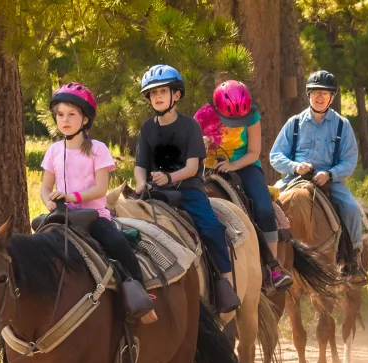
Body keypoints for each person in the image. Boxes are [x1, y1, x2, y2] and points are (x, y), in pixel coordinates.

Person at [41, 82, 157, 324]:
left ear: (84, 120)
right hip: (62, 217)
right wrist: (48, 202)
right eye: (60, 114)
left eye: (72, 114)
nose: (65, 119)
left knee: (118, 244)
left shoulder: (97, 149)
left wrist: (71, 196)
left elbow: (101, 189)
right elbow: (45, 186)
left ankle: (141, 298)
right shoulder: (52, 150)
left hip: (94, 217)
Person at [133, 65, 241, 313]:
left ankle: (225, 282)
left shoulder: (190, 126)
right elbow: (140, 165)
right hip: (154, 192)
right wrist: (141, 183)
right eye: (152, 93)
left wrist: (169, 178)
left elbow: (193, 167)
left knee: (212, 227)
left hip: (188, 190)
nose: (157, 97)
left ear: (176, 95)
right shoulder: (147, 129)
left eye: (162, 91)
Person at [194, 79, 294, 293]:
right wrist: (201, 146)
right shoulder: (202, 116)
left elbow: (253, 152)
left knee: (265, 209)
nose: (237, 122)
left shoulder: (253, 115)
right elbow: (189, 151)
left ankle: (272, 269)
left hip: (244, 165)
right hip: (207, 168)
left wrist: (232, 165)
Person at [269, 70, 368, 285]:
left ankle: (353, 261)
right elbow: (275, 155)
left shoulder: (343, 125)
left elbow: (350, 160)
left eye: (324, 93)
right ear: (308, 95)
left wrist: (330, 174)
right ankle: (267, 260)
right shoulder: (294, 123)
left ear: (332, 97)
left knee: (351, 209)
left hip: (329, 181)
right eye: (315, 93)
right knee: (268, 204)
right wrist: (295, 166)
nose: (319, 97)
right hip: (294, 179)